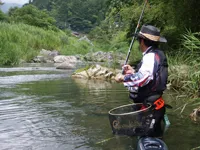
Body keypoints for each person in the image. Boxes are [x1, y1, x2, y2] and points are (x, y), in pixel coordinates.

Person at [115, 24, 168, 138]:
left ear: (142, 41)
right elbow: (150, 76)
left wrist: (123, 78)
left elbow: (142, 78)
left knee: (147, 137)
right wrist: (133, 72)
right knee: (155, 136)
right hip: (155, 105)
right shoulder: (157, 54)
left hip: (151, 108)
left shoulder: (149, 57)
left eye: (139, 40)